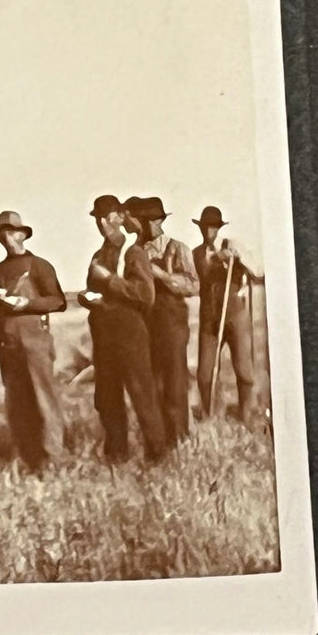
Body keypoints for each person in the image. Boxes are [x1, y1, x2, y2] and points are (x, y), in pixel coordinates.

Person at [80, 196, 168, 463]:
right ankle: (117, 456)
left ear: (120, 217)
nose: (102, 223)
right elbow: (93, 290)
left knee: (142, 395)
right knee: (107, 398)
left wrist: (111, 280)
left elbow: (145, 295)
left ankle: (157, 457)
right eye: (98, 218)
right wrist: (87, 297)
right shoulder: (99, 255)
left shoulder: (133, 251)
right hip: (104, 334)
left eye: (107, 217)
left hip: (130, 333)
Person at [0, 210, 67, 469]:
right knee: (18, 403)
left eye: (11, 233)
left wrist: (27, 303)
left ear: (22, 235)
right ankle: (28, 457)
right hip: (9, 345)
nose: (7, 239)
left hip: (35, 342)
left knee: (44, 398)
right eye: (2, 235)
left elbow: (58, 301)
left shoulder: (40, 265)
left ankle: (52, 457)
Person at [134, 197, 199, 445]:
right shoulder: (136, 252)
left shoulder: (178, 248)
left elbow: (193, 285)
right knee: (152, 383)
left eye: (152, 220)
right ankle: (159, 439)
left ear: (161, 221)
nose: (148, 226)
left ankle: (180, 437)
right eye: (143, 221)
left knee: (174, 382)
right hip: (145, 322)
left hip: (172, 322)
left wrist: (160, 274)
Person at [192, 206, 261, 420]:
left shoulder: (232, 245)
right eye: (205, 227)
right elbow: (197, 280)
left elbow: (257, 271)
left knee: (244, 371)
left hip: (235, 316)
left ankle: (247, 414)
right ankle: (213, 415)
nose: (208, 232)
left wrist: (238, 257)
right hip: (209, 319)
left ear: (218, 228)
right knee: (205, 374)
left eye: (212, 227)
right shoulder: (196, 253)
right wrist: (214, 259)